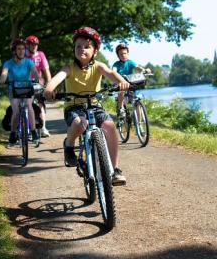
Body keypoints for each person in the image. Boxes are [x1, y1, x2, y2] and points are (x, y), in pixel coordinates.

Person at [44, 27, 129, 185]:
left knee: (110, 126)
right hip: (74, 107)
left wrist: (122, 82)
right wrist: (49, 90)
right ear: (74, 49)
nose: (81, 49)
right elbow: (56, 79)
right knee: (79, 124)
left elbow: (111, 74)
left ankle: (115, 170)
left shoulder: (98, 66)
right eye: (78, 46)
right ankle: (69, 145)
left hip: (95, 106)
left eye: (87, 46)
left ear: (95, 51)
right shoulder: (69, 67)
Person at [0, 38, 41, 146]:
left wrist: (37, 78)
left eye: (23, 49)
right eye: (19, 49)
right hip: (14, 89)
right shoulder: (8, 63)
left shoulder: (28, 62)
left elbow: (35, 72)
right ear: (14, 51)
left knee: (29, 105)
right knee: (16, 110)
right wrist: (3, 80)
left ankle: (33, 132)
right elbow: (4, 73)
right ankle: (13, 134)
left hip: (27, 88)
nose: (21, 51)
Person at [112, 43, 151, 118]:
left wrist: (145, 70)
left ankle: (139, 123)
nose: (123, 55)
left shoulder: (130, 62)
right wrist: (114, 73)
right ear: (118, 56)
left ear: (128, 54)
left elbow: (137, 67)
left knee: (135, 100)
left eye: (125, 53)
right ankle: (121, 108)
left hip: (129, 82)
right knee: (122, 91)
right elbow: (113, 71)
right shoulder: (116, 64)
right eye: (121, 54)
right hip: (119, 82)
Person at [25, 35, 52, 137]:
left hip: (38, 83)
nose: (34, 46)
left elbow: (47, 71)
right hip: (24, 83)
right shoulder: (23, 55)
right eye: (32, 44)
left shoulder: (40, 55)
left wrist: (50, 84)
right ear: (27, 45)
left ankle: (43, 127)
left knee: (40, 103)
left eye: (36, 44)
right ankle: (24, 127)